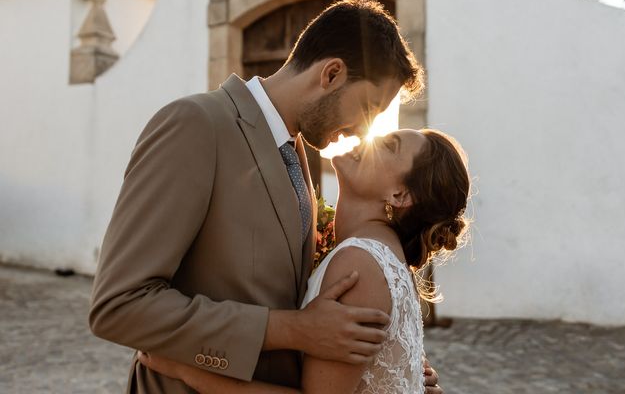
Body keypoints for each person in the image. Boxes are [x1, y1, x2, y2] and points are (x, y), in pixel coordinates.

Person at [89, 0, 442, 393]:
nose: (364, 131)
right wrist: (291, 330)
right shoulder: (196, 125)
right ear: (331, 74)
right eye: (366, 108)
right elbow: (119, 306)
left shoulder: (296, 156)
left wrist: (388, 368)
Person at [137, 128, 471, 393]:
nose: (370, 140)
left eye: (389, 146)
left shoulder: (360, 265)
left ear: (399, 196)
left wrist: (188, 371)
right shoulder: (385, 257)